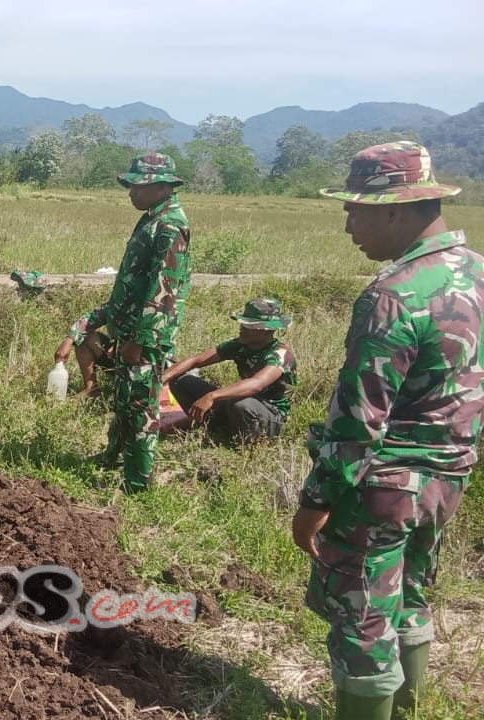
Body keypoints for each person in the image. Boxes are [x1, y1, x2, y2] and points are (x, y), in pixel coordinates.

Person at [291, 142, 482, 720]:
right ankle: (411, 710)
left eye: (357, 209)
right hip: (447, 477)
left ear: (395, 209)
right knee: (410, 598)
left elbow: (358, 419)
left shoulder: (392, 295)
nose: (349, 224)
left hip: (384, 484)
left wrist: (316, 499)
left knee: (364, 618)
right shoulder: (474, 273)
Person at [80, 152, 191, 493]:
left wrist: (140, 340)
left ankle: (137, 484)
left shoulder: (170, 225)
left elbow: (163, 290)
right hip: (129, 331)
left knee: (141, 408)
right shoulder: (152, 218)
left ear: (161, 186)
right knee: (125, 402)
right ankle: (114, 457)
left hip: (145, 338)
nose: (131, 192)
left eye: (137, 186)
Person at [159, 298, 297, 443]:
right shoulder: (239, 345)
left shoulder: (280, 354)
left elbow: (256, 384)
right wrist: (160, 380)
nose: (242, 327)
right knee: (180, 380)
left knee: (241, 404)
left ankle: (247, 442)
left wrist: (212, 396)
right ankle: (209, 425)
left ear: (266, 330)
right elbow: (196, 360)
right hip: (238, 405)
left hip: (269, 414)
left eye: (250, 325)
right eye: (243, 323)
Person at [53, 303, 116, 399]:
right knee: (83, 338)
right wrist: (68, 341)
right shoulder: (122, 301)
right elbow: (93, 317)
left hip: (140, 360)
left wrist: (120, 344)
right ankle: (92, 390)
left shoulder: (145, 305)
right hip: (117, 356)